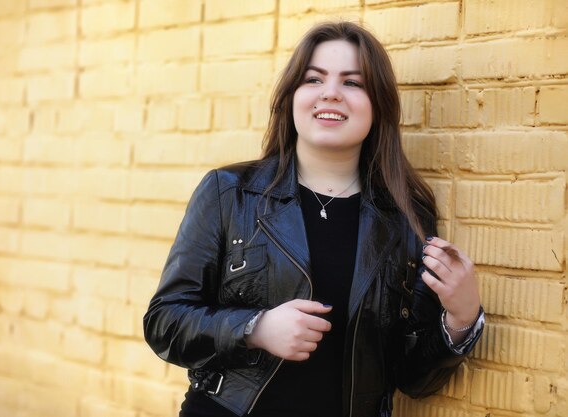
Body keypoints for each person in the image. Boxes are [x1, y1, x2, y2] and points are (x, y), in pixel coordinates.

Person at [143, 21, 484, 417]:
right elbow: (165, 322)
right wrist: (256, 328)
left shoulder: (407, 216)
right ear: (292, 96)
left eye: (353, 83)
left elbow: (411, 378)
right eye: (313, 79)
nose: (331, 94)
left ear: (379, 105)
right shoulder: (230, 193)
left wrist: (461, 316)